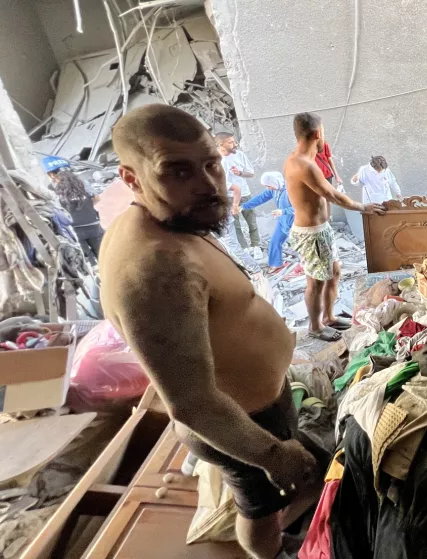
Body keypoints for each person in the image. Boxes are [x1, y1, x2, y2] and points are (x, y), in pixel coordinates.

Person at [100, 104, 319, 559]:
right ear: (131, 177)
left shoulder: (173, 220)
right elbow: (192, 404)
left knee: (267, 499)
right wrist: (273, 455)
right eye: (177, 172)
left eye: (210, 164)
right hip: (243, 420)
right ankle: (269, 554)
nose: (208, 184)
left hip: (253, 404)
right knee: (259, 506)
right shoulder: (156, 269)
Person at [284, 112, 384, 341]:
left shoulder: (304, 160)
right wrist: (363, 207)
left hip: (322, 230)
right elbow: (332, 195)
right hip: (311, 234)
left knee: (334, 272)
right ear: (318, 134)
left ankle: (328, 317)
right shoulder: (303, 164)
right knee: (316, 281)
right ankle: (315, 327)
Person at [43, 156, 105, 263]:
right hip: (93, 224)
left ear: (51, 174)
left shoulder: (51, 189)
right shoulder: (82, 183)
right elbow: (97, 199)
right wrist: (84, 207)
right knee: (105, 257)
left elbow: (55, 211)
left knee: (88, 263)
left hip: (74, 230)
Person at [215, 132, 262, 253]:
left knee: (251, 221)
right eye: (230, 142)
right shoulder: (216, 159)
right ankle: (245, 249)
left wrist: (240, 173)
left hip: (245, 194)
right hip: (228, 197)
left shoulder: (240, 155)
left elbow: (251, 173)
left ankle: (256, 246)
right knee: (235, 225)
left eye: (234, 141)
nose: (235, 144)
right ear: (221, 144)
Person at [240, 172, 293, 273]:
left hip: (296, 221)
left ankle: (310, 266)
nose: (268, 188)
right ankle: (276, 263)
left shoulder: (292, 189)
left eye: (268, 186)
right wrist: (243, 206)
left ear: (274, 182)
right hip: (283, 220)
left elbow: (301, 207)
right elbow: (261, 198)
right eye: (266, 186)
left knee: (302, 245)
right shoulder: (274, 189)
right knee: (275, 241)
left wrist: (283, 211)